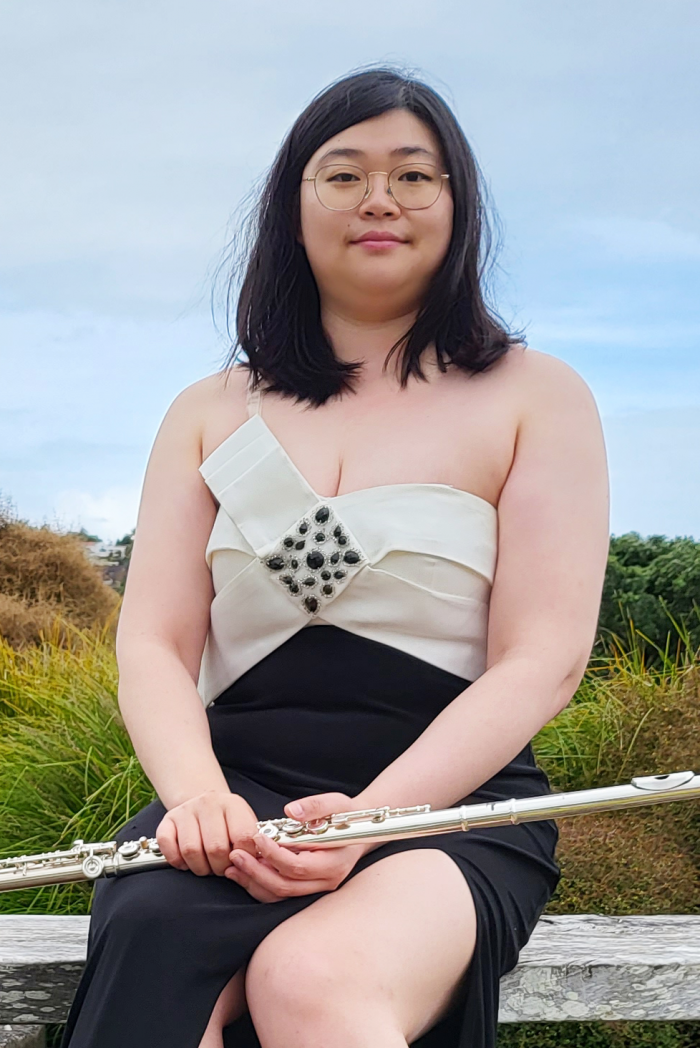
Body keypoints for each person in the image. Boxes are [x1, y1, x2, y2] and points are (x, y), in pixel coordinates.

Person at [59, 67, 610, 1048]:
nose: (380, 200)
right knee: (156, 957)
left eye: (413, 175)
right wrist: (196, 799)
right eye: (343, 173)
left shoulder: (537, 395)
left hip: (451, 807)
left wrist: (371, 819)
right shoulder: (206, 412)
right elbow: (152, 639)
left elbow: (545, 657)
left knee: (312, 980)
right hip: (228, 801)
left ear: (457, 203)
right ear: (292, 204)